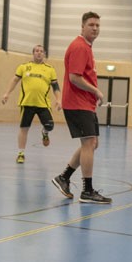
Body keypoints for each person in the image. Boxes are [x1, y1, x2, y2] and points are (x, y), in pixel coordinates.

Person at [51, 11, 112, 204]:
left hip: (84, 103)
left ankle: (64, 177)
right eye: (91, 25)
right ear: (82, 26)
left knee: (92, 143)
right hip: (77, 103)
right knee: (88, 144)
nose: (95, 28)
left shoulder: (86, 47)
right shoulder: (79, 47)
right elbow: (74, 78)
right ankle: (87, 190)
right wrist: (96, 91)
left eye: (97, 25)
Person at [1, 44, 61, 164]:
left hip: (43, 104)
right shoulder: (24, 67)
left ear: (44, 54)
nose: (39, 53)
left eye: (41, 51)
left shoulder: (50, 69)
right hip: (26, 103)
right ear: (33, 53)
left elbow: (55, 86)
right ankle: (21, 153)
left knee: (49, 125)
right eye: (37, 51)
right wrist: (7, 93)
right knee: (24, 128)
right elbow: (15, 80)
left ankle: (45, 133)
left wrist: (59, 100)